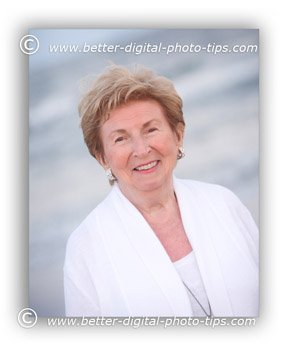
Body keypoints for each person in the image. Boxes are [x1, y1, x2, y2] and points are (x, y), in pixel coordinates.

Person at [64, 64, 258, 317]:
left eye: (151, 129)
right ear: (102, 157)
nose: (141, 149)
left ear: (178, 135)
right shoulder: (86, 248)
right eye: (120, 138)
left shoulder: (223, 202)